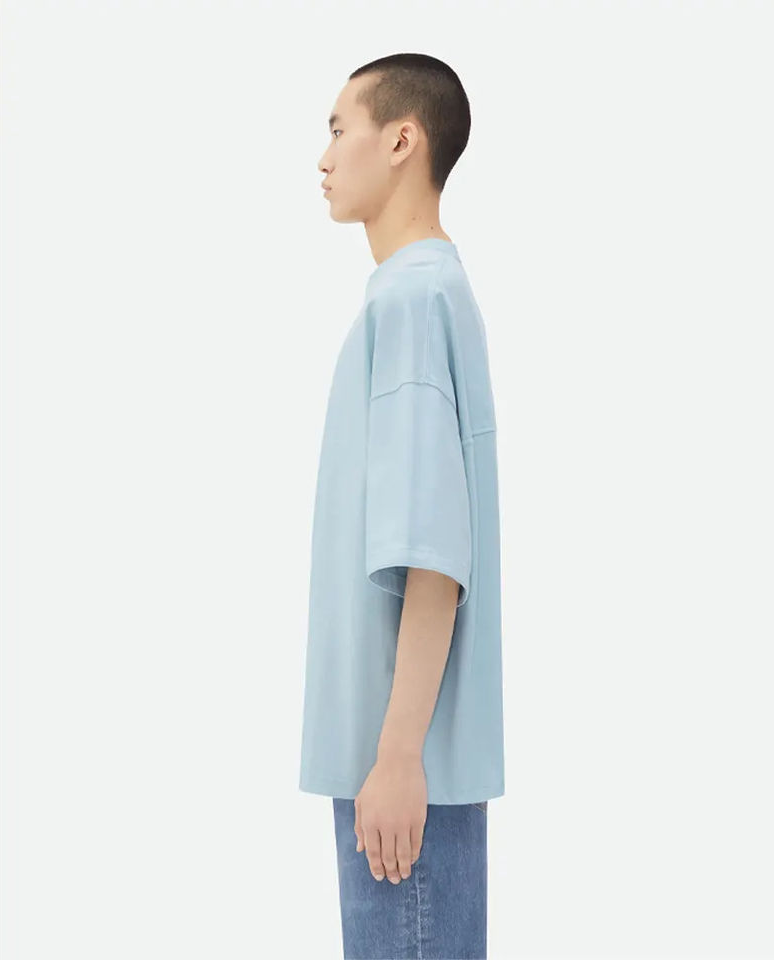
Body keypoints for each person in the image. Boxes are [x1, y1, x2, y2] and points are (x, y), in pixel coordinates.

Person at [299, 52, 504, 960]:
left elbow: (433, 558)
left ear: (402, 140)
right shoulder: (423, 293)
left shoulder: (414, 302)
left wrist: (395, 757)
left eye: (339, 128)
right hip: (405, 755)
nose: (324, 156)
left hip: (402, 765)